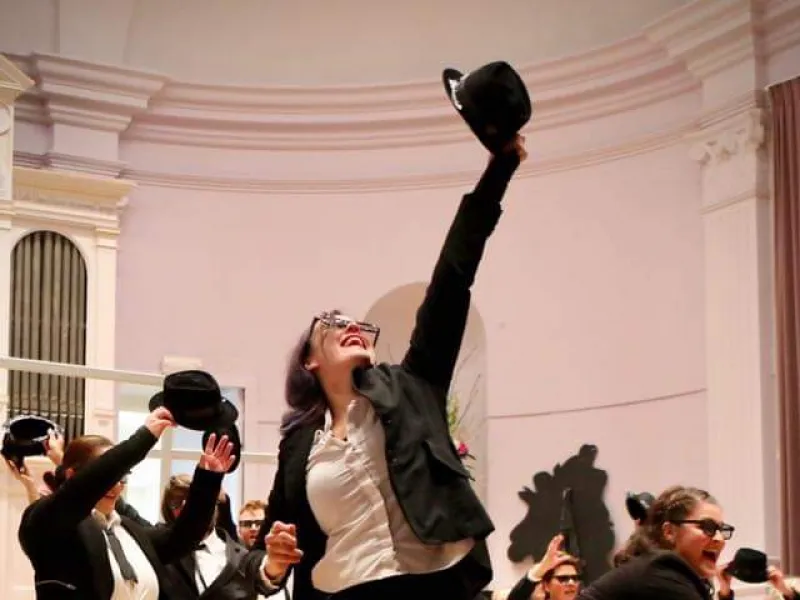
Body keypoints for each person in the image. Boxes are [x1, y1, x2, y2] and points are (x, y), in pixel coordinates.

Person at [251, 135, 528, 600]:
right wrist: (273, 564)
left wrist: (498, 171)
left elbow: (452, 278)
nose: (352, 327)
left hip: (436, 588)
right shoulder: (299, 444)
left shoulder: (414, 385)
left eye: (359, 324)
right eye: (334, 323)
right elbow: (271, 548)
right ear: (309, 360)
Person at [18, 407, 234, 600]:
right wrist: (144, 438)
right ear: (72, 475)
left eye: (122, 478)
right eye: (110, 478)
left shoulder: (129, 529)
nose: (116, 486)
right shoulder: (48, 524)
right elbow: (83, 489)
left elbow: (182, 537)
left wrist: (208, 479)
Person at [579, 485, 734, 600]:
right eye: (707, 527)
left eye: (722, 530)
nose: (719, 539)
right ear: (669, 532)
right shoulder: (665, 570)